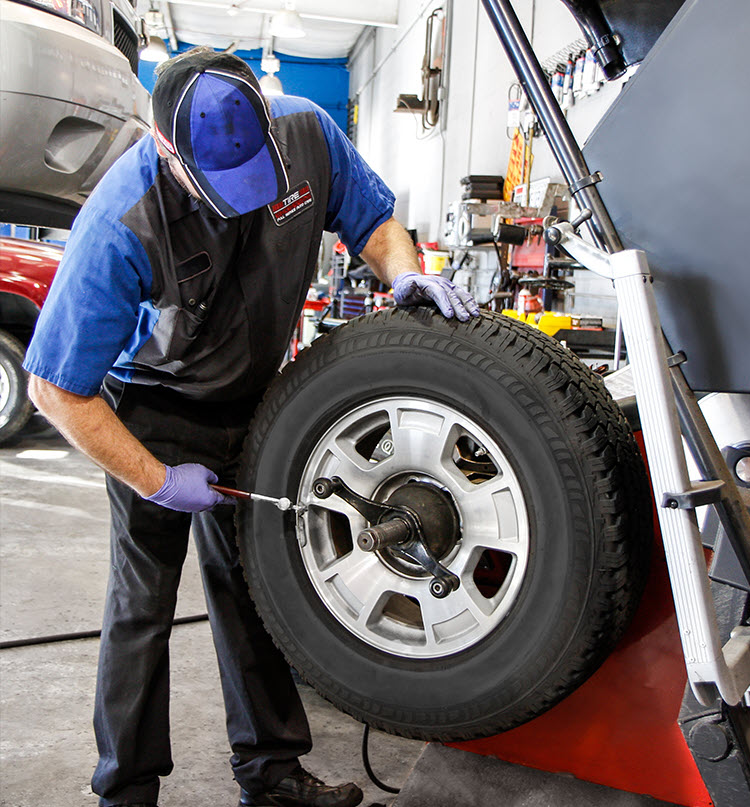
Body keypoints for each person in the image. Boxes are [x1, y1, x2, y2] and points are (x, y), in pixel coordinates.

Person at [24, 46, 479, 807]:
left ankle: (271, 774)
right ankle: (126, 790)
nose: (238, 200)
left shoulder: (307, 136)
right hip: (157, 415)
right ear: (165, 149)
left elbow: (376, 224)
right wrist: (158, 479)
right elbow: (55, 389)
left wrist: (405, 273)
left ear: (270, 127)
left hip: (261, 405)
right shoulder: (120, 222)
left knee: (255, 591)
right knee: (143, 608)